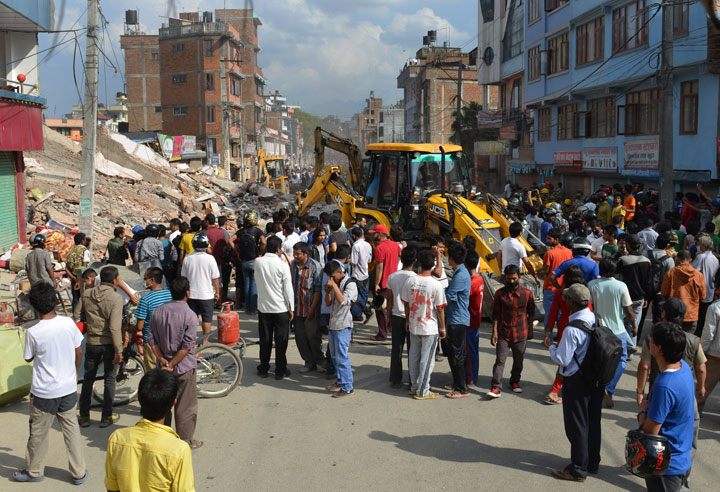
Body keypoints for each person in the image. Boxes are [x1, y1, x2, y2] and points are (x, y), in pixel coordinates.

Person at [12, 283, 86, 484]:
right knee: (71, 431)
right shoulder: (68, 323)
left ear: (34, 306)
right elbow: (78, 350)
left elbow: (28, 358)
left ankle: (35, 471)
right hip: (68, 388)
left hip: (44, 392)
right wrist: (72, 371)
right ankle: (79, 472)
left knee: (38, 433)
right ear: (54, 301)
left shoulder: (34, 332)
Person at [546, 284, 603, 482]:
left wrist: (552, 348)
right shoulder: (595, 318)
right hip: (596, 378)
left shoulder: (572, 329)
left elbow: (562, 359)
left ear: (571, 302)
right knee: (593, 422)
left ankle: (578, 469)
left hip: (577, 380)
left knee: (577, 425)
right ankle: (592, 462)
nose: (565, 301)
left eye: (567, 298)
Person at [104, 369, 194, 492]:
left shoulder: (117, 438)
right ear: (173, 403)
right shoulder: (178, 449)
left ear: (140, 399)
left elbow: (112, 487)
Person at [639, 323, 695, 492]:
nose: (649, 342)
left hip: (665, 465)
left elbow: (651, 431)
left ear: (659, 348)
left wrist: (642, 410)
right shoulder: (683, 367)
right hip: (681, 455)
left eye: (652, 340)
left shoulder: (665, 386)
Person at [148, 276, 202, 449]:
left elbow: (152, 340)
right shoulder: (190, 315)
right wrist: (172, 363)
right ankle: (185, 440)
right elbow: (187, 347)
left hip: (163, 369)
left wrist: (163, 360)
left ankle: (163, 438)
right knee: (186, 405)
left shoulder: (158, 312)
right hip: (183, 368)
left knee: (163, 404)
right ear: (188, 293)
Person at [78, 266, 124, 428]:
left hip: (91, 343)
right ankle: (106, 416)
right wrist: (119, 350)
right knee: (109, 379)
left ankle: (84, 416)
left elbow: (77, 314)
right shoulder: (115, 298)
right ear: (114, 280)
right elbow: (114, 328)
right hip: (108, 345)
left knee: (88, 379)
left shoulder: (87, 294)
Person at [588, 259, 635, 409]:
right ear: (615, 271)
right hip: (618, 330)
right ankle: (610, 387)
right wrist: (634, 326)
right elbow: (628, 309)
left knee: (598, 359)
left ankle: (597, 388)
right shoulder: (621, 286)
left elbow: (591, 307)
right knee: (621, 359)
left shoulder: (592, 285)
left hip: (599, 329)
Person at [401, 249, 447, 400]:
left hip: (414, 324)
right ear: (433, 265)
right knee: (427, 361)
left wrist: (407, 321)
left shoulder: (410, 281)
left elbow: (406, 304)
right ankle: (423, 391)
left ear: (419, 263)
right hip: (429, 327)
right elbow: (440, 309)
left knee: (414, 358)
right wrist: (443, 327)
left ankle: (414, 386)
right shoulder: (436, 285)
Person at [488, 264, 536, 398]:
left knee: (518, 360)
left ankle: (515, 381)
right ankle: (496, 387)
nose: (511, 281)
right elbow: (495, 314)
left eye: (514, 278)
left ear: (519, 277)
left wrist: (530, 329)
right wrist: (494, 333)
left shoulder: (527, 294)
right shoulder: (500, 294)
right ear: (505, 278)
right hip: (504, 333)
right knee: (500, 361)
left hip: (521, 333)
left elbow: (532, 312)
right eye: (508, 279)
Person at [255, 235, 295, 380]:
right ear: (279, 249)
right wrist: (291, 307)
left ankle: (263, 368)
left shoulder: (258, 262)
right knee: (281, 341)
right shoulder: (282, 265)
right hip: (281, 308)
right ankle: (280, 370)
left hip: (264, 308)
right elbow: (288, 288)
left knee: (265, 340)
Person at [324, 259, 358, 398]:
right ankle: (340, 381)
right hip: (333, 324)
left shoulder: (350, 284)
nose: (331, 279)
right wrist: (327, 292)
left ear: (339, 272)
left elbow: (343, 301)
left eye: (333, 276)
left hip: (343, 325)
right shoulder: (336, 283)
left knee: (342, 357)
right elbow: (328, 303)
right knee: (334, 356)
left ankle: (348, 387)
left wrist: (334, 287)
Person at [386, 246, 417, 388]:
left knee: (396, 348)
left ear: (401, 259)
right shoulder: (416, 278)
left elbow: (390, 299)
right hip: (411, 317)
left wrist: (388, 317)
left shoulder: (392, 277)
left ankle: (395, 378)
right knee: (413, 350)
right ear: (415, 261)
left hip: (396, 315)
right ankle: (413, 378)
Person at [443, 244, 472, 398]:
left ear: (451, 259)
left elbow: (449, 295)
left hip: (457, 319)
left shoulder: (460, 275)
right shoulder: (460, 272)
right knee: (454, 353)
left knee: (457, 354)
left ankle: (462, 388)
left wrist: (446, 292)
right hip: (455, 318)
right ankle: (457, 382)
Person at [290, 241, 324, 373]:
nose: (295, 256)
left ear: (306, 254)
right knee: (300, 337)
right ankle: (309, 362)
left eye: (298, 254)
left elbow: (317, 290)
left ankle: (320, 360)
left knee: (313, 337)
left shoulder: (315, 266)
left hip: (310, 309)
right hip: (297, 309)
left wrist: (312, 309)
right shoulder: (293, 264)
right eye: (294, 254)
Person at [616, 234, 652, 353]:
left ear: (628, 246)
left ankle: (628, 348)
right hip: (640, 298)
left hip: (625, 298)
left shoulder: (623, 260)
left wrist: (619, 254)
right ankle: (630, 351)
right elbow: (648, 282)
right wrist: (646, 298)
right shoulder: (647, 261)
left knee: (621, 323)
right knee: (634, 325)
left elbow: (614, 272)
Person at [181, 232, 220, 341]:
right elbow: (215, 278)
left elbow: (183, 277)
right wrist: (217, 292)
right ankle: (205, 341)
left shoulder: (187, 258)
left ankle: (191, 340)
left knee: (193, 319)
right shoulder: (210, 259)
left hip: (191, 294)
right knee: (207, 320)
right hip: (206, 295)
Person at [134, 267, 172, 371]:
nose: (144, 281)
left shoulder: (145, 300)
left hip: (152, 343)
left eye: (145, 278)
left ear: (152, 280)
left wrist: (131, 329)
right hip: (169, 339)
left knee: (153, 374)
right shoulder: (170, 295)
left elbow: (139, 326)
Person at [661, 250, 706, 333]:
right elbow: (703, 296)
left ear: (678, 259)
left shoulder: (670, 273)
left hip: (673, 314)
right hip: (691, 314)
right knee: (687, 342)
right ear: (690, 260)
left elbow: (664, 292)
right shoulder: (698, 275)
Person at [370, 224, 401, 341]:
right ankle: (394, 331)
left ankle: (382, 334)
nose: (373, 234)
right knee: (393, 307)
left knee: (380, 309)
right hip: (395, 281)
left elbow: (379, 268)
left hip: (384, 283)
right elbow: (401, 256)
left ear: (380, 234)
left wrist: (376, 284)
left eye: (374, 233)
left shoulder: (379, 248)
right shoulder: (395, 245)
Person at [235, 211, 265, 315]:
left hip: (244, 261)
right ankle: (253, 309)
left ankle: (248, 307)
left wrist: (237, 252)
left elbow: (230, 240)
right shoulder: (257, 231)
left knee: (247, 284)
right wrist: (260, 253)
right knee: (254, 284)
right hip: (254, 260)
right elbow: (264, 242)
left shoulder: (241, 231)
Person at [542, 228, 572, 327]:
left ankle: (548, 338)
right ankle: (560, 336)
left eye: (549, 239)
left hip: (550, 288)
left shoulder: (549, 253)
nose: (547, 241)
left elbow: (546, 270)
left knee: (549, 314)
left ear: (557, 239)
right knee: (561, 314)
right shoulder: (569, 252)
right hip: (563, 287)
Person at [691, 234, 718, 337]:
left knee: (697, 318)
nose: (698, 246)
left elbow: (693, 271)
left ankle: (695, 336)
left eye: (700, 244)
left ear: (705, 246)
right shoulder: (715, 259)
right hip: (710, 292)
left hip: (700, 292)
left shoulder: (701, 257)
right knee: (704, 318)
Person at [465, 250, 484, 386]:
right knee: (474, 350)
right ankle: (474, 375)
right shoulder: (480, 279)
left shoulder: (471, 283)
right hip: (476, 318)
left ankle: (471, 377)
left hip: (470, 319)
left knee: (470, 351)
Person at [700, 295, 720, 414]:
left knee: (704, 386)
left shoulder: (715, 308)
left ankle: (696, 410)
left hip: (714, 354)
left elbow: (708, 334)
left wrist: (701, 353)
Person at [349, 226, 373, 322]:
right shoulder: (368, 245)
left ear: (354, 236)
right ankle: (360, 313)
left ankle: (363, 312)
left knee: (356, 296)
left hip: (357, 274)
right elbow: (370, 259)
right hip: (365, 273)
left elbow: (354, 261)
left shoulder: (356, 246)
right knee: (363, 294)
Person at [65, 232, 91, 309]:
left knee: (75, 299)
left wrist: (73, 278)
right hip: (83, 279)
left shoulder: (70, 252)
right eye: (85, 239)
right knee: (84, 299)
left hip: (74, 279)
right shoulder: (85, 251)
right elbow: (84, 266)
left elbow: (66, 269)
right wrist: (79, 280)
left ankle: (75, 318)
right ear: (82, 241)